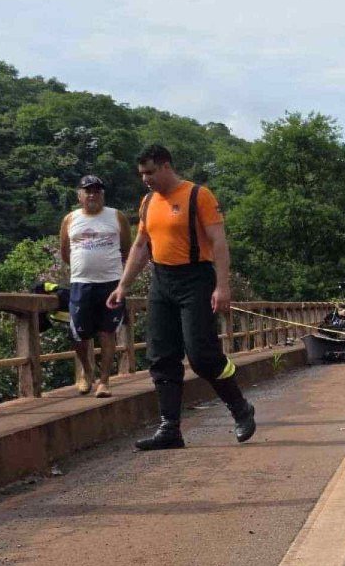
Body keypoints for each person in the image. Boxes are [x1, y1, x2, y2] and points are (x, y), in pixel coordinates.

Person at [106, 144, 255, 450]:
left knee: (202, 355)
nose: (145, 179)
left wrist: (222, 286)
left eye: (149, 172)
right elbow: (140, 246)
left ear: (165, 166)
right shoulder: (147, 201)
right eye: (141, 174)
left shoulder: (197, 195)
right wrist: (123, 286)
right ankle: (169, 428)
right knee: (161, 356)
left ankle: (240, 408)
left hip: (195, 278)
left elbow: (219, 242)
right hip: (162, 280)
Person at [59, 175, 131, 398]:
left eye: (97, 190)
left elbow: (127, 250)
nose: (93, 194)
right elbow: (65, 252)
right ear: (79, 195)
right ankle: (87, 371)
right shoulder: (70, 219)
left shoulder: (116, 216)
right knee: (79, 333)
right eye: (87, 190)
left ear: (103, 194)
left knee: (107, 332)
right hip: (81, 283)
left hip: (111, 283)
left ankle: (105, 381)